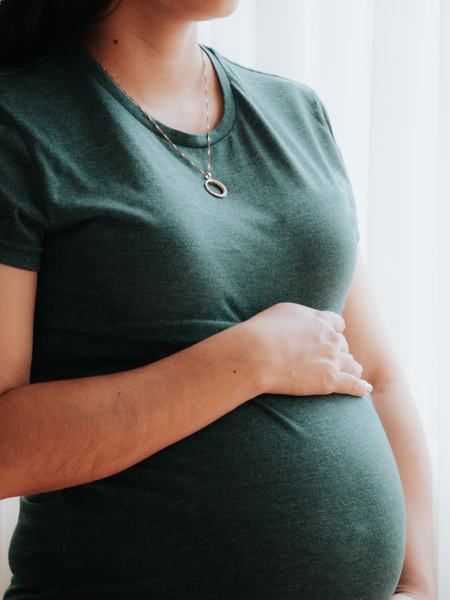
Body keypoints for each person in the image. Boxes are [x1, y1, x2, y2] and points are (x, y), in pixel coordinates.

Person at [0, 1, 436, 598]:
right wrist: (247, 361)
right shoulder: (18, 124)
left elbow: (379, 375)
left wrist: (420, 582)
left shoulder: (296, 112)